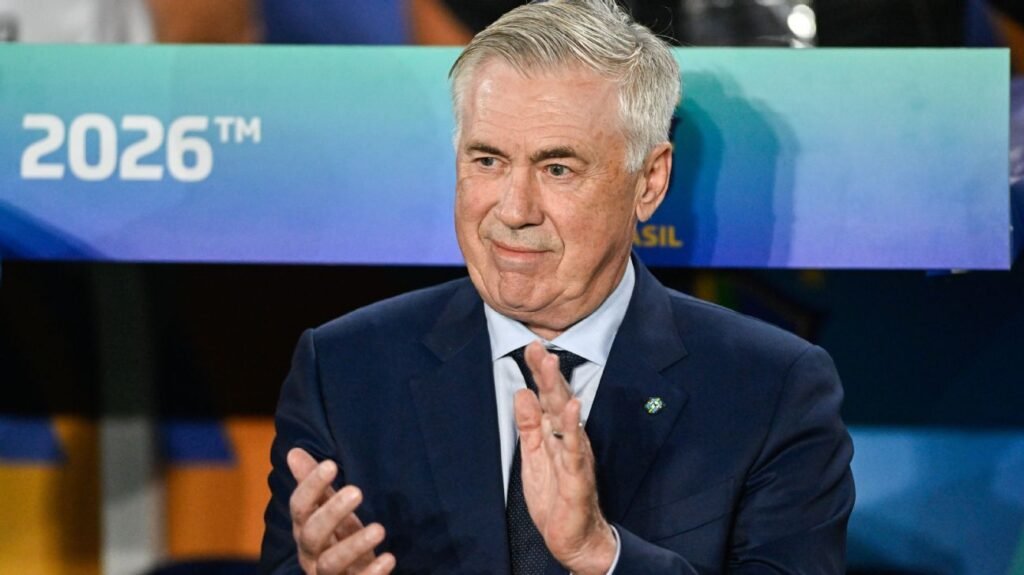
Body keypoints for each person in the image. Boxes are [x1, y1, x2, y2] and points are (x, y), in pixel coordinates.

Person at [260, 1, 855, 573]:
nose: (514, 210)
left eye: (557, 168)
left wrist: (604, 557)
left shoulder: (770, 389)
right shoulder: (344, 370)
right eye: (488, 161)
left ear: (649, 181)